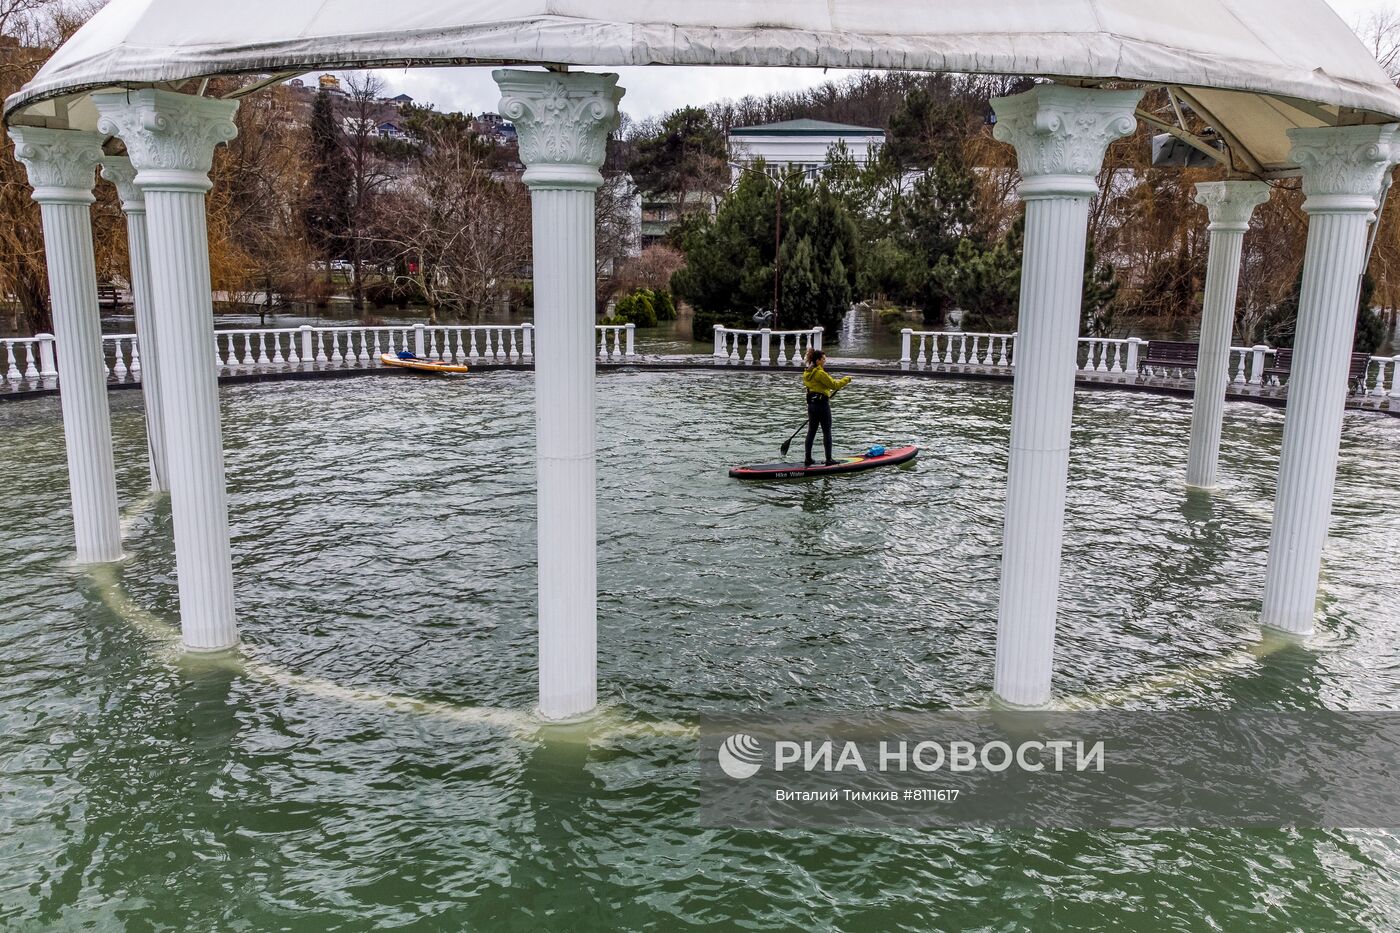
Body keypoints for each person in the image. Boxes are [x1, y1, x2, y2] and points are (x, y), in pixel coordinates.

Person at [801, 348, 851, 467]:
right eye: (823, 359)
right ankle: (829, 459)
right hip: (822, 406)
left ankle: (808, 459)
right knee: (827, 431)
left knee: (811, 432)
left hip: (811, 406)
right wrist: (847, 379)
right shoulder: (820, 373)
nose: (825, 361)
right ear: (818, 361)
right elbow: (834, 385)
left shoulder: (806, 373)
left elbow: (817, 387)